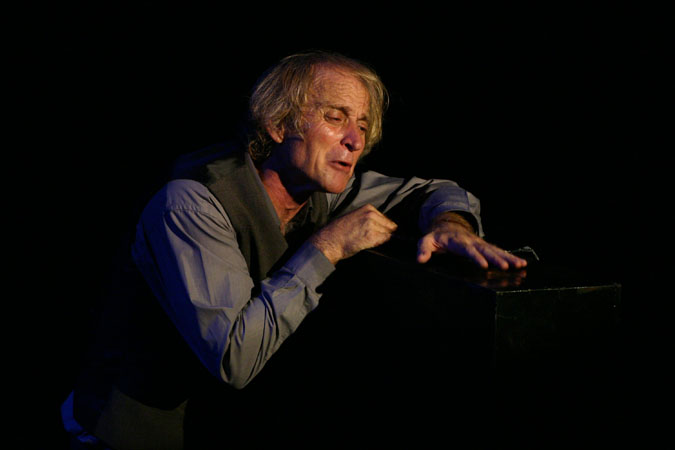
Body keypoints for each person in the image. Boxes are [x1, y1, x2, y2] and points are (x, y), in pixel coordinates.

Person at [62, 51, 527, 449]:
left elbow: (434, 189)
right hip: (127, 435)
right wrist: (327, 246)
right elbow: (234, 359)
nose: (355, 140)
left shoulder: (323, 191)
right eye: (335, 117)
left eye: (363, 124)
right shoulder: (190, 203)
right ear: (279, 124)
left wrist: (451, 223)